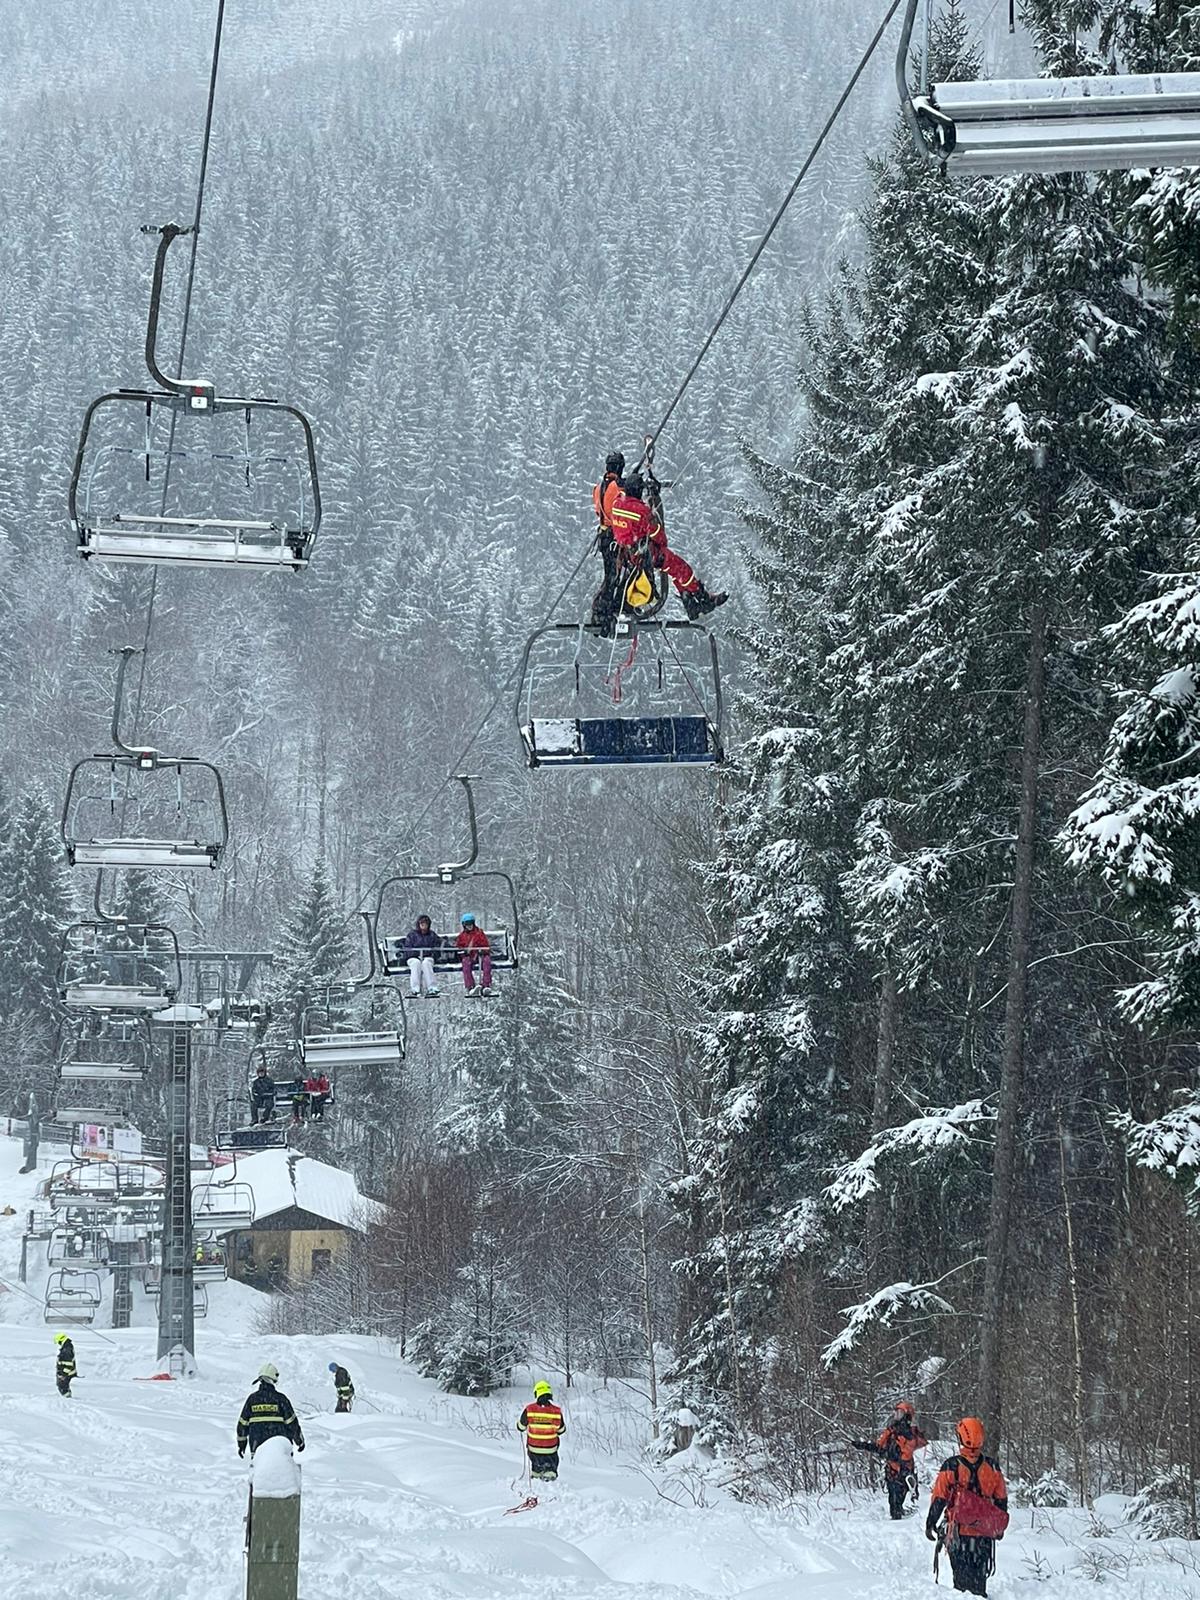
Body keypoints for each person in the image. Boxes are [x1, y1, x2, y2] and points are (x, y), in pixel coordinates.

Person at [609, 473, 727, 622]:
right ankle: (701, 598)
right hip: (645, 553)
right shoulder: (641, 511)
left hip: (626, 553)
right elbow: (657, 533)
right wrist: (661, 543)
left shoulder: (616, 504)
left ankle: (690, 601)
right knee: (681, 568)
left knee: (676, 570)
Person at [926, 1417, 1009, 1597]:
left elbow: (939, 1498)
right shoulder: (993, 1467)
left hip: (959, 1533)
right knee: (980, 1581)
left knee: (961, 1585)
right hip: (984, 1534)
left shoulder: (951, 1466)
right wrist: (998, 1527)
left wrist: (930, 1523)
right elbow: (1001, 1500)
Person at [852, 1399, 928, 1518]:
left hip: (903, 1473)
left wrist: (894, 1456)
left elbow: (906, 1454)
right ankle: (898, 1519)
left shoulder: (910, 1434)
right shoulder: (891, 1431)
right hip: (892, 1472)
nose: (897, 1416)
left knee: (897, 1501)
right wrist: (863, 1445)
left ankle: (902, 1522)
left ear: (906, 1415)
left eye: (900, 1413)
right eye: (896, 1413)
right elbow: (879, 1446)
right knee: (893, 1502)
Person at [236, 1363, 305, 1458]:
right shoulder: (281, 1399)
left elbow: (242, 1425)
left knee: (259, 1471)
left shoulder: (252, 1400)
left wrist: (241, 1444)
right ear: (274, 1379)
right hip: (280, 1449)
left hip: (257, 1449)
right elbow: (292, 1424)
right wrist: (299, 1441)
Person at [517, 1380, 565, 1481]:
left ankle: (536, 1473)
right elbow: (561, 1430)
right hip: (551, 1449)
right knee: (551, 1463)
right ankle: (550, 1474)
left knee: (536, 1462)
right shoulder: (556, 1411)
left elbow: (521, 1427)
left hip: (533, 1448)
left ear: (537, 1393)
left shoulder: (529, 1409)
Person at [401, 915, 442, 998]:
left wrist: (429, 953)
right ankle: (415, 989)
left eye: (426, 923)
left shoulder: (432, 935)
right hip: (413, 958)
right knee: (416, 963)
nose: (424, 925)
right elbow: (408, 948)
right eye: (422, 923)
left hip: (427, 957)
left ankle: (432, 987)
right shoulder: (412, 935)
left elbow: (437, 948)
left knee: (426, 963)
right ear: (418, 924)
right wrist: (417, 954)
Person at [456, 914, 493, 997]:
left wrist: (483, 951)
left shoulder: (479, 933)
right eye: (467, 924)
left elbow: (486, 945)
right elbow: (459, 948)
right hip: (469, 956)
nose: (469, 926)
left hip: (480, 955)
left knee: (487, 961)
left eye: (471, 924)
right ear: (464, 925)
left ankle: (486, 985)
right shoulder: (462, 936)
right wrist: (464, 953)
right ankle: (470, 987)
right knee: (466, 963)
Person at [55, 1331, 76, 1396]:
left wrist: (63, 1374)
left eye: (58, 1342)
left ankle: (67, 1399)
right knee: (63, 1386)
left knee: (63, 1387)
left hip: (66, 1373)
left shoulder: (66, 1349)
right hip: (66, 1372)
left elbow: (69, 1364)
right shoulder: (66, 1347)